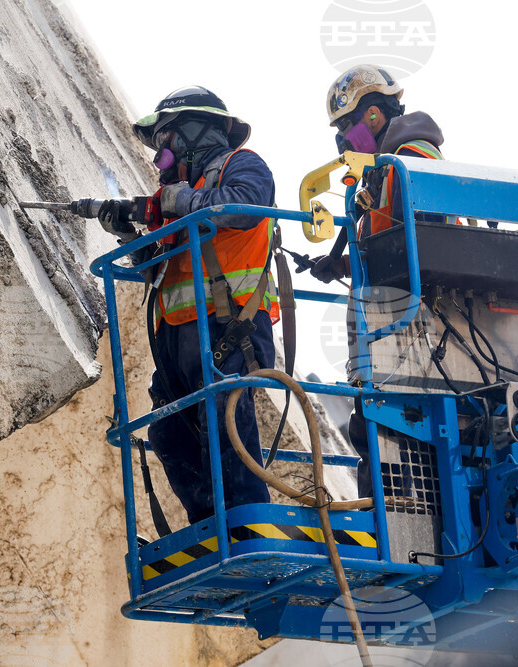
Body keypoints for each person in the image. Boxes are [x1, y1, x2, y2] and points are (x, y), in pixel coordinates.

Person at [96, 86, 279, 524]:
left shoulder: (242, 165)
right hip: (178, 338)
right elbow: (158, 267)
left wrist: (183, 203)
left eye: (166, 138)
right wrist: (128, 235)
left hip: (230, 328)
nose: (161, 152)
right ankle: (211, 528)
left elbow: (248, 206)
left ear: (197, 130)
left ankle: (249, 526)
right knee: (170, 433)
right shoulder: (178, 197)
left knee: (226, 421)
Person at [309, 65, 447, 498]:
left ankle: (387, 522)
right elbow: (392, 242)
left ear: (371, 115)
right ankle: (386, 518)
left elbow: (425, 241)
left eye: (346, 125)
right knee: (373, 425)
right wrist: (344, 265)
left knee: (382, 427)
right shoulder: (383, 170)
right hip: (396, 322)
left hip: (417, 324)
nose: (342, 138)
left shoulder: (411, 158)